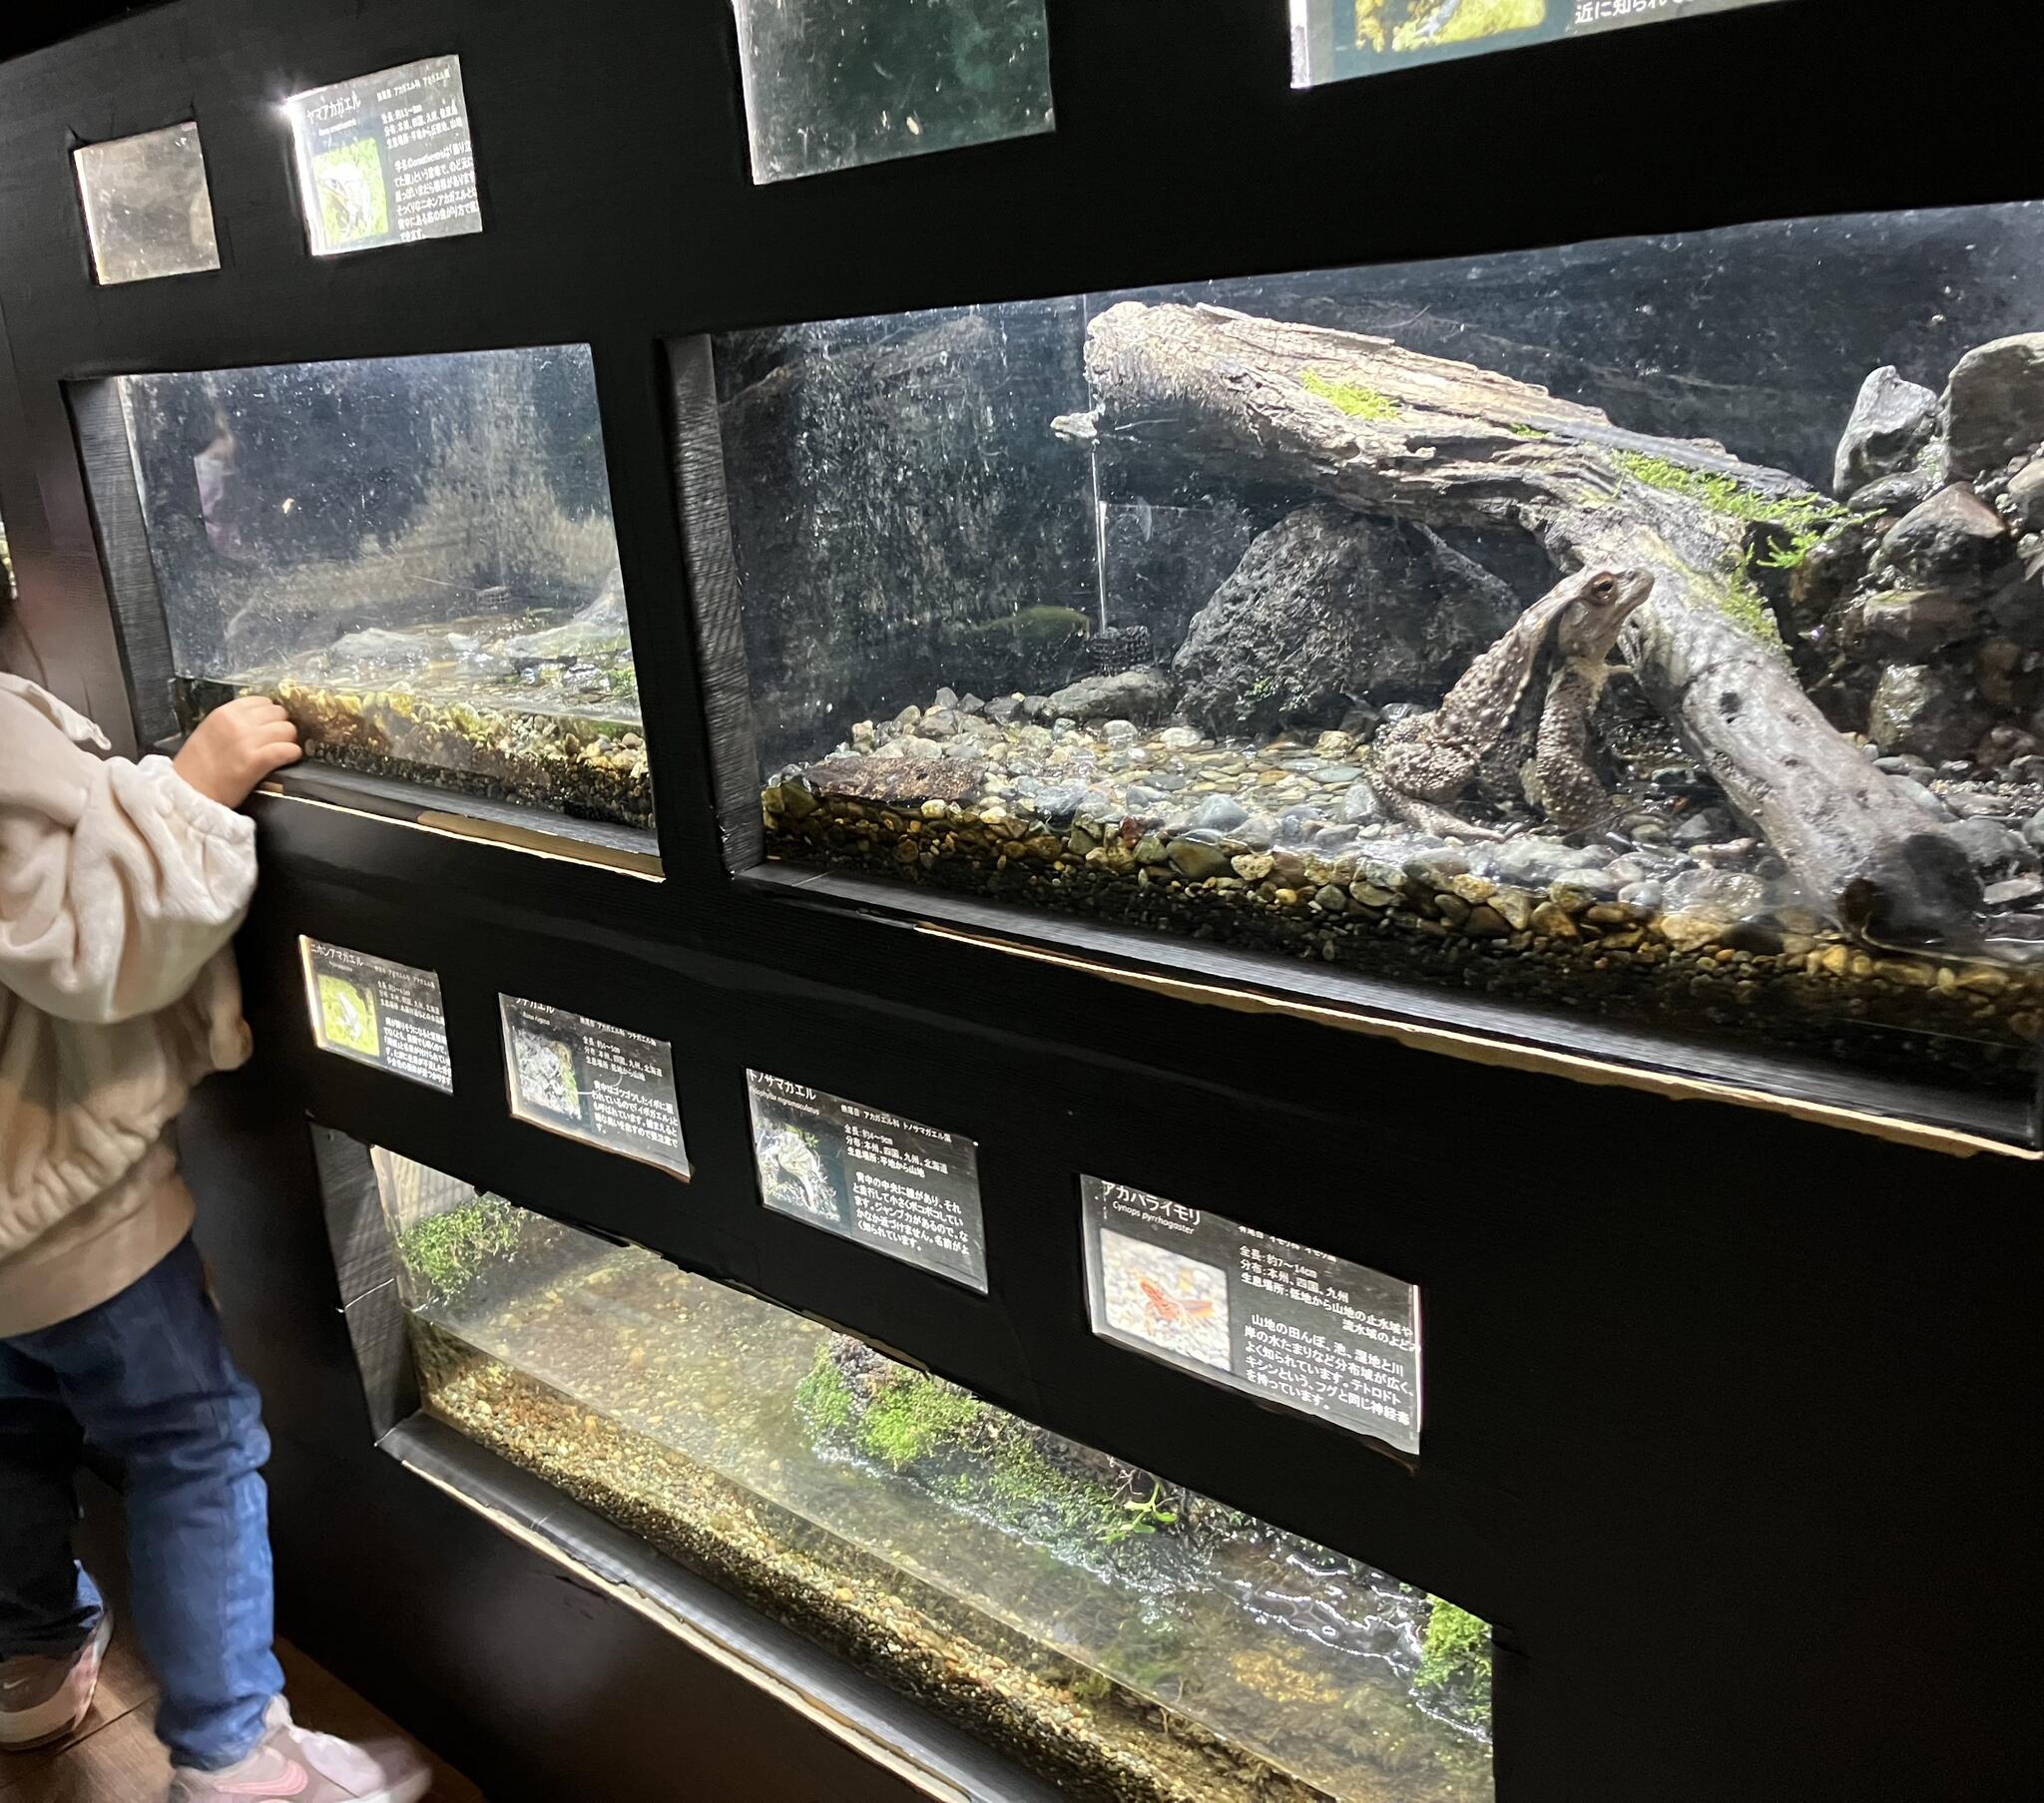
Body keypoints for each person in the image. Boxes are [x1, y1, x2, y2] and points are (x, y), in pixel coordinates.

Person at [0, 654, 432, 1803]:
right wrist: (192, 789)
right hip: (62, 1206)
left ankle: (26, 1660)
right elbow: (96, 949)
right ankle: (234, 1752)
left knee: (10, 1427)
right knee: (192, 1439)